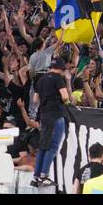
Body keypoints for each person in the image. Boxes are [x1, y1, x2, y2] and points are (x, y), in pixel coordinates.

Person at [31, 57, 71, 189]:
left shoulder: (41, 79)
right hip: (56, 115)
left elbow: (35, 100)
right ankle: (44, 176)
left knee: (43, 146)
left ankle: (36, 177)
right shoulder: (58, 78)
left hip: (44, 115)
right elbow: (65, 97)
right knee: (52, 146)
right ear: (61, 69)